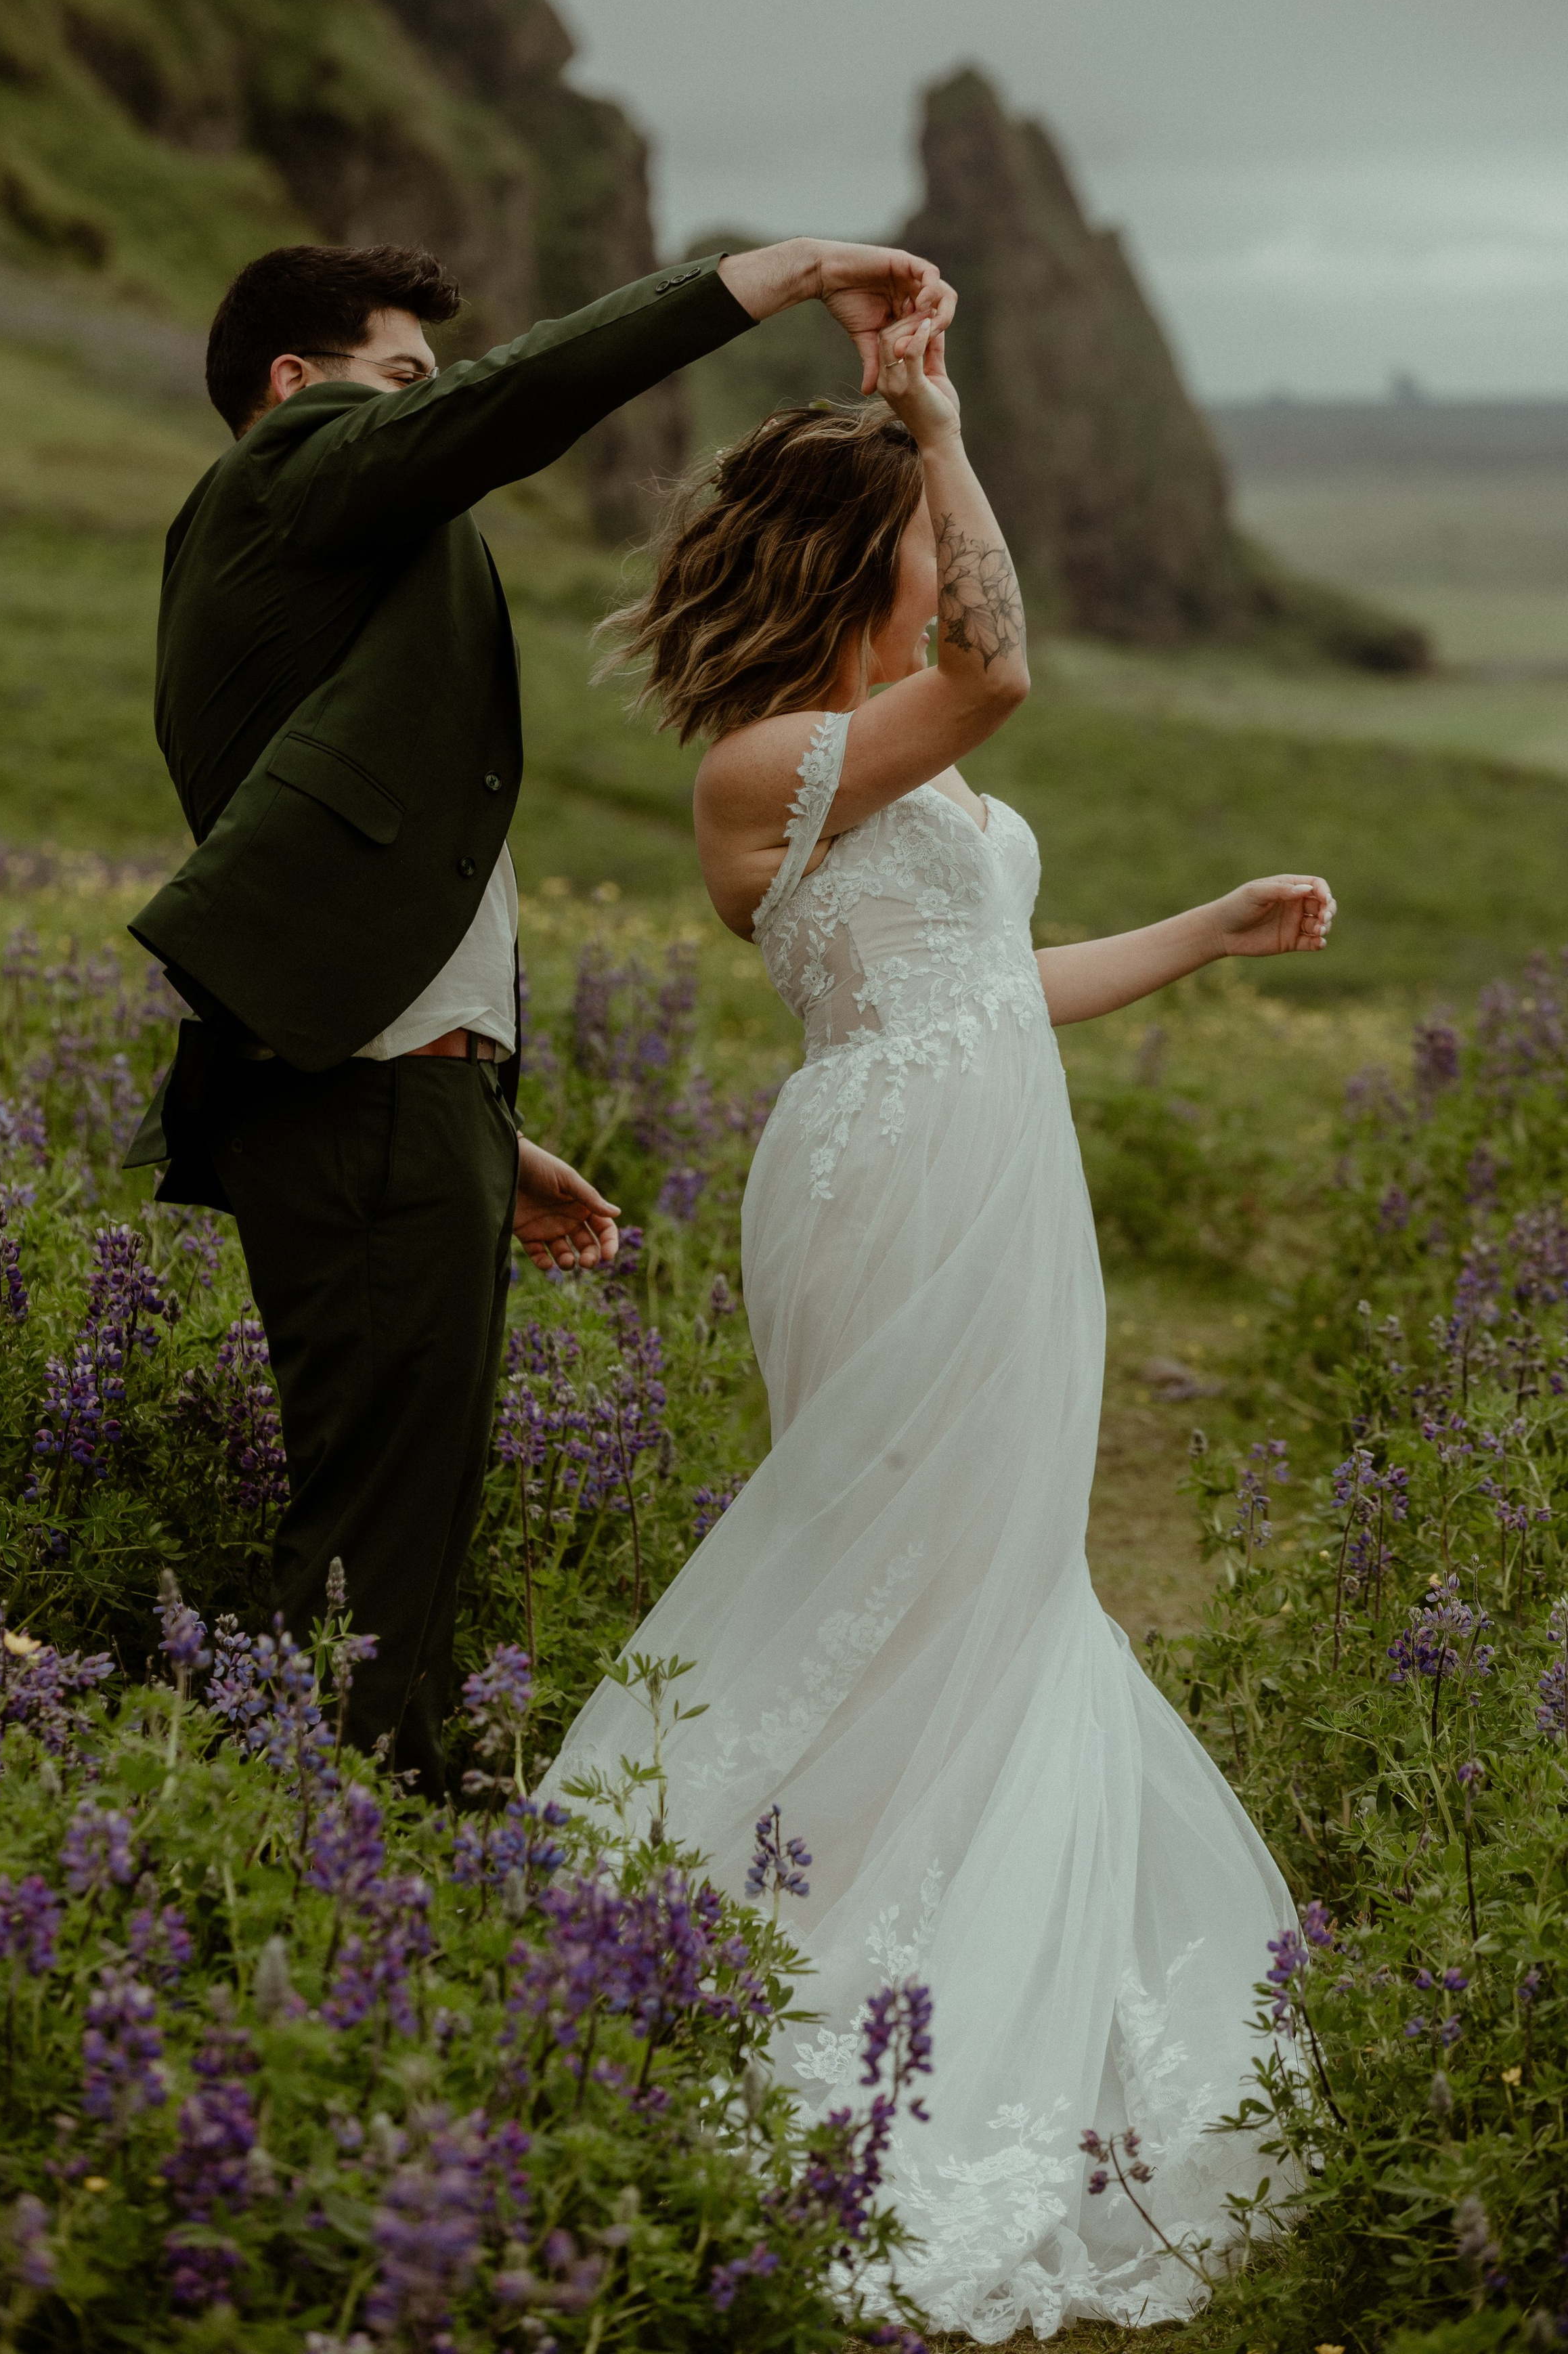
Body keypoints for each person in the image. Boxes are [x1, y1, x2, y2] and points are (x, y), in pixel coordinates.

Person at [548, 313, 1336, 2336]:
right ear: (866, 556)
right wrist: (941, 422)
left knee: (1001, 1574)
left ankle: (949, 1934)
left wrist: (1215, 929)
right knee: (910, 1562)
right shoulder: (768, 766)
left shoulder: (892, 757)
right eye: (923, 529)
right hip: (892, 1185)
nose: (951, 556)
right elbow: (999, 667)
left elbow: (1003, 977)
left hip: (1001, 1166)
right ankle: (824, 1951)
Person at [123, 232, 956, 1795]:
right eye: (396, 381)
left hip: (394, 1086)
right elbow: (517, 402)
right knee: (379, 1509)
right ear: (295, 391)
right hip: (361, 1091)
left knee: (410, 1494)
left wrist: (478, 1116)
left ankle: (373, 1808)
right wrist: (760, 280)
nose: (423, 413)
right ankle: (328, 1831)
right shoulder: (283, 479)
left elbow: (356, 853)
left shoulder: (321, 559)